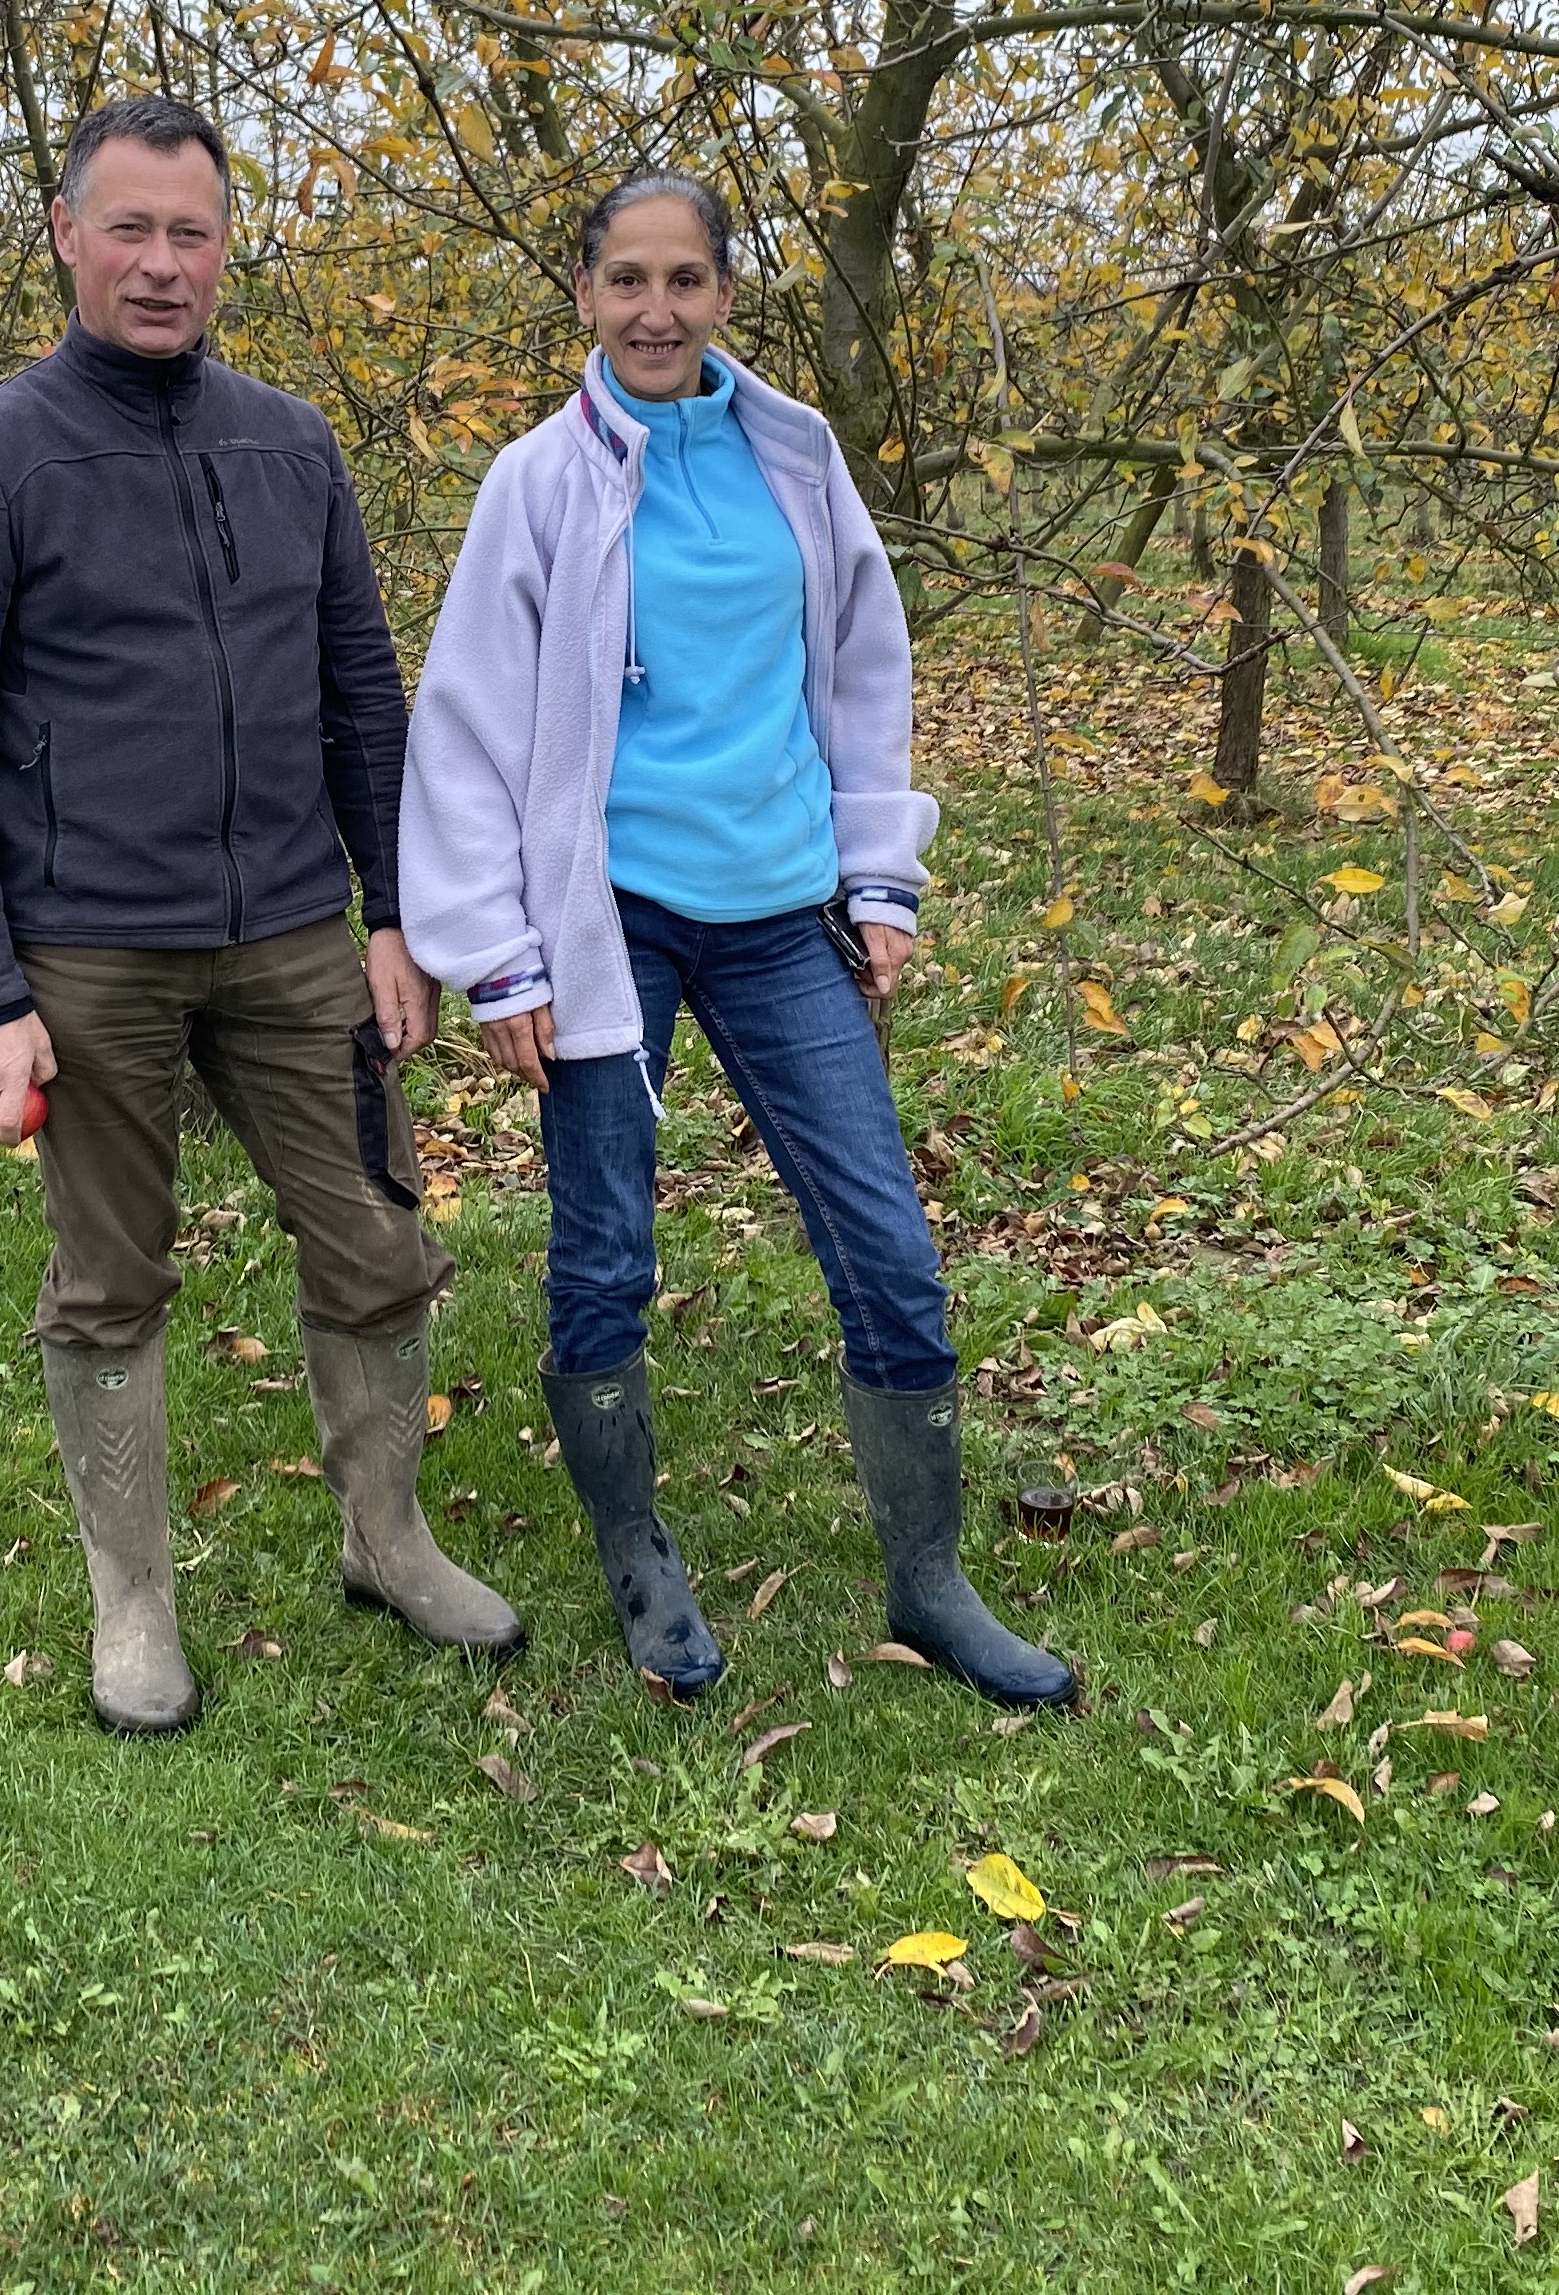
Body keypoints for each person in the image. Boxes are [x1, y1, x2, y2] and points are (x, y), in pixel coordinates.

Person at [0, 94, 520, 1734]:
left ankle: (387, 1539)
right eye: (132, 231)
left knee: (377, 1237)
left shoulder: (289, 443)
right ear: (66, 236)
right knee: (110, 1281)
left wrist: (397, 917)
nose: (163, 266)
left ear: (228, 249)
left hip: (300, 928)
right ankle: (134, 1607)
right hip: (84, 951)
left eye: (194, 235)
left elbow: (360, 693)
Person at [400, 169, 1072, 1710]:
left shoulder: (795, 455)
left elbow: (858, 663)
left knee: (891, 1257)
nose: (656, 309)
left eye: (686, 279)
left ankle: (932, 1582)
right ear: (582, 293)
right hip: (607, 926)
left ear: (722, 294)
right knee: (605, 1258)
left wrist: (878, 875)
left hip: (782, 916)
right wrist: (497, 956)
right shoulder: (540, 483)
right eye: (625, 279)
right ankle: (638, 1559)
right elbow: (466, 729)